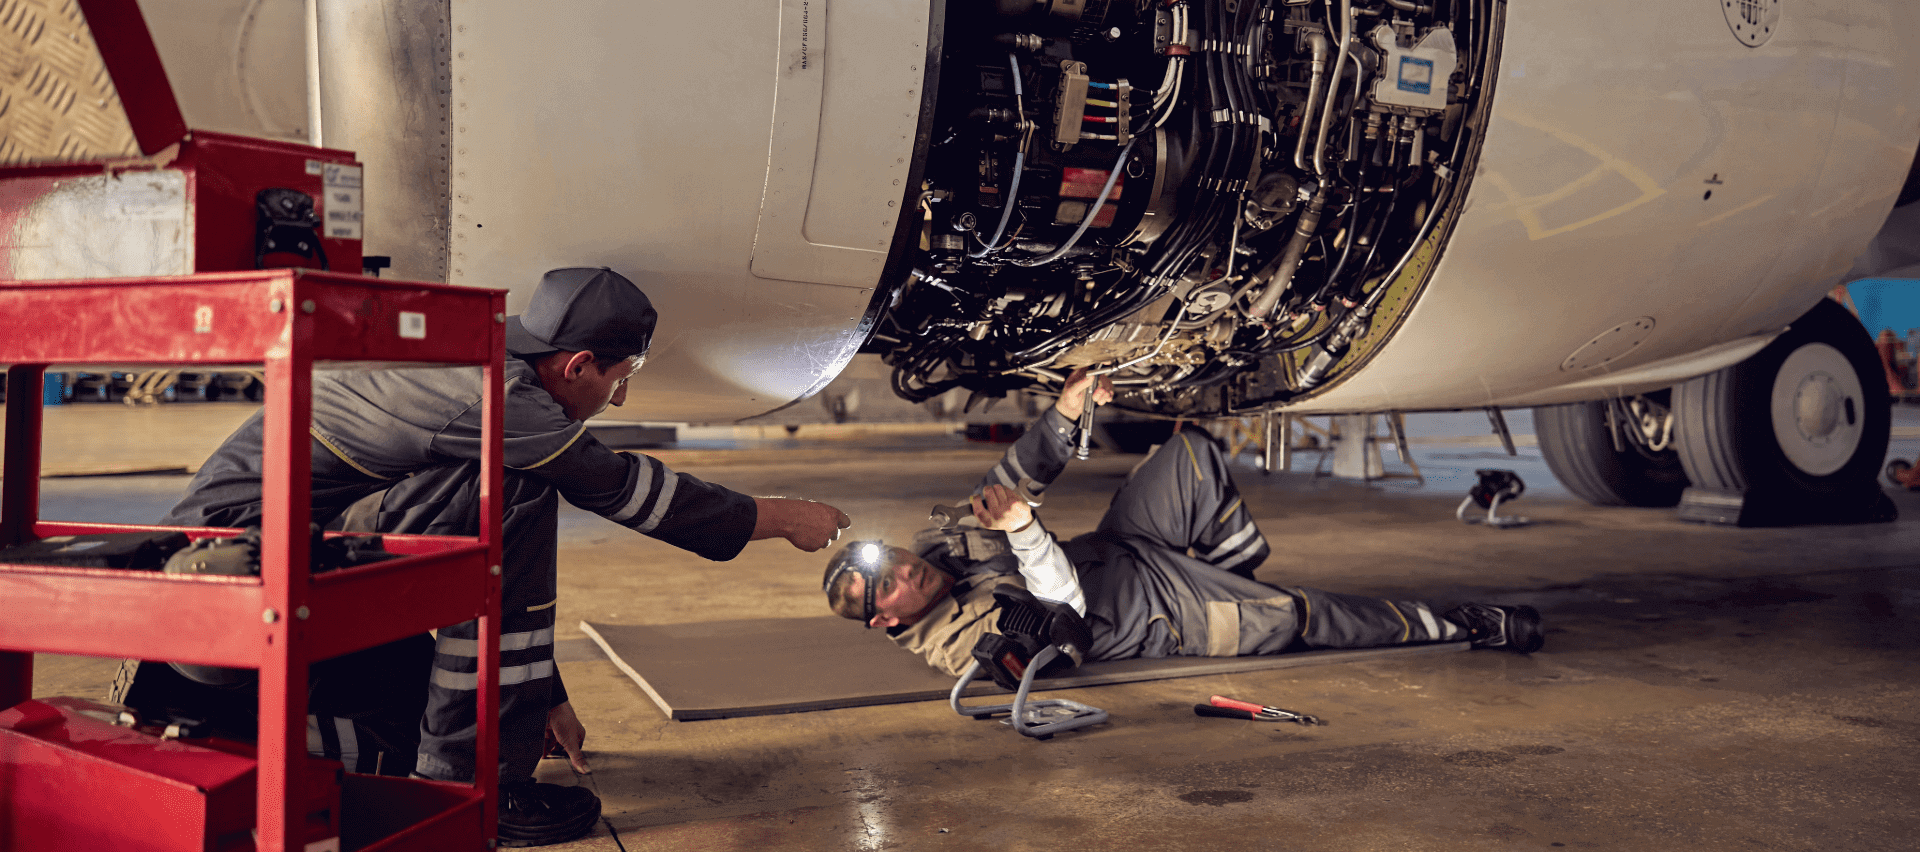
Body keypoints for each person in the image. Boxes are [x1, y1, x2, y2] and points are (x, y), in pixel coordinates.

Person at [146, 267, 851, 847]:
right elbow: (618, 487)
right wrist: (782, 517)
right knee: (514, 490)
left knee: (407, 718)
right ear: (577, 365)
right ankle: (478, 786)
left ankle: (223, 720)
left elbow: (501, 578)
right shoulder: (504, 399)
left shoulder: (482, 359)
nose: (618, 398)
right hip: (242, 558)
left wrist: (544, 695)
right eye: (619, 379)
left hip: (280, 539)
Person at [822, 371, 1541, 677]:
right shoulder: (961, 647)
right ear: (886, 620)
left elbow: (1009, 482)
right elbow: (1066, 619)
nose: (900, 572)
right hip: (1157, 615)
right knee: (1301, 616)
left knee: (1189, 455)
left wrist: (1067, 412)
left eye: (884, 561)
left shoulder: (936, 546)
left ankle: (1229, 576)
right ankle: (1463, 626)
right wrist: (1025, 532)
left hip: (1124, 548)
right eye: (883, 589)